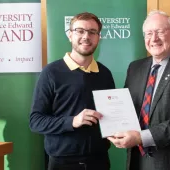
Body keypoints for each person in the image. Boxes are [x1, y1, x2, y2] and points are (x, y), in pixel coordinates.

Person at [108, 10, 170, 170]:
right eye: (148, 33)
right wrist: (114, 126)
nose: (154, 39)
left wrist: (142, 137)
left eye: (160, 32)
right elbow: (126, 109)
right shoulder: (135, 67)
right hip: (138, 160)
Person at [29, 12, 115, 170]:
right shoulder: (51, 72)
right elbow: (35, 121)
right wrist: (72, 121)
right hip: (63, 163)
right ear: (70, 35)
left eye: (92, 32)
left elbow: (111, 115)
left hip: (99, 160)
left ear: (98, 37)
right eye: (80, 31)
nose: (86, 36)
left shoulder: (104, 73)